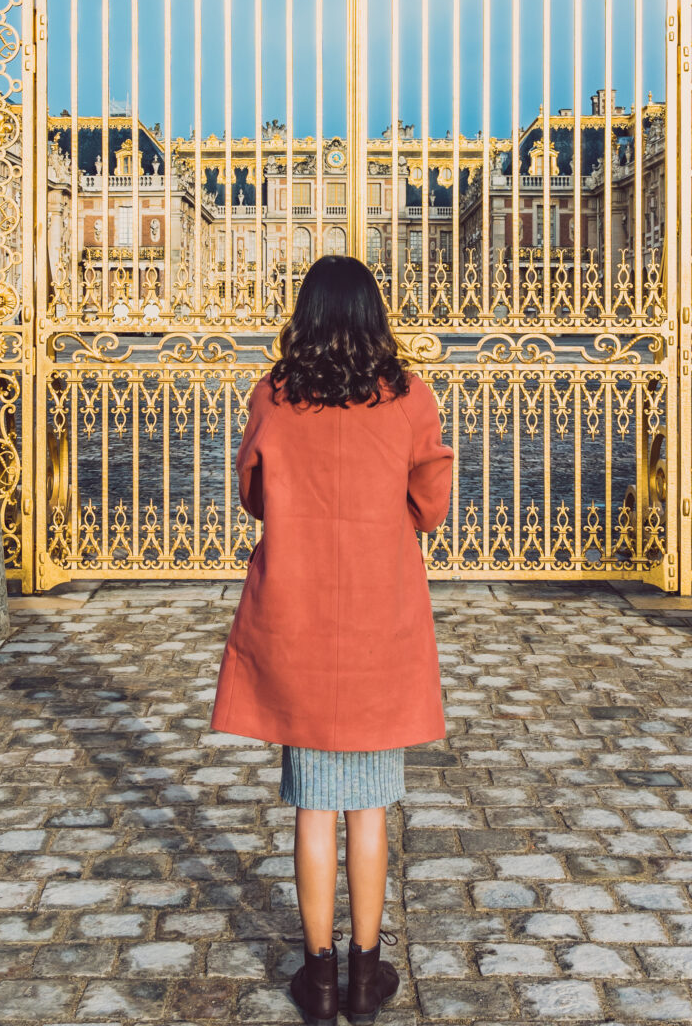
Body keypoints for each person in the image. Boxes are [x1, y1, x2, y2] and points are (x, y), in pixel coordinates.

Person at [212, 254, 454, 1025]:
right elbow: (432, 505)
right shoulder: (409, 397)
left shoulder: (275, 395)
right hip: (378, 623)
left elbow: (253, 495)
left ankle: (317, 980)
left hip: (301, 620)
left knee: (314, 809)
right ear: (374, 317)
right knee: (370, 810)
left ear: (306, 317)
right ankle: (366, 973)